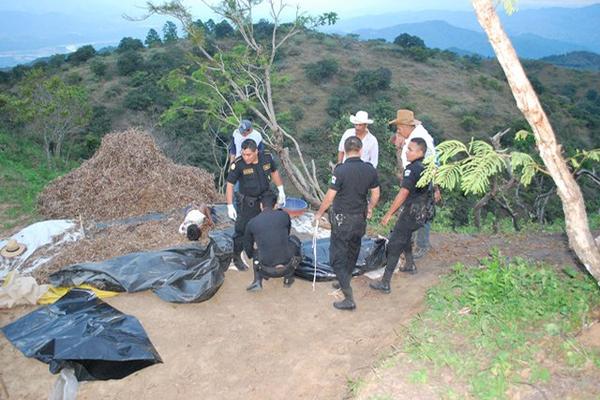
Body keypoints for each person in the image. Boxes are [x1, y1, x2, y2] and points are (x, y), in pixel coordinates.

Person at [315, 136, 380, 310]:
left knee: (337, 257)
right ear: (360, 150)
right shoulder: (369, 170)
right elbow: (375, 194)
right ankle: (343, 279)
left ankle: (348, 297)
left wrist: (319, 213)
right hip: (360, 218)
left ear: (344, 151)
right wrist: (370, 208)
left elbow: (329, 197)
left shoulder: (340, 170)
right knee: (352, 251)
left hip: (343, 220)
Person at [370, 138, 431, 294]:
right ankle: (410, 265)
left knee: (395, 243)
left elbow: (403, 193)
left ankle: (385, 283)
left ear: (420, 152)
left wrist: (389, 214)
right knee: (405, 236)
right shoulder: (426, 167)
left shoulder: (412, 169)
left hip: (412, 212)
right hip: (423, 213)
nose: (406, 151)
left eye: (410, 149)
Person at [226, 138, 286, 271]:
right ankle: (236, 257)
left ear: (256, 152)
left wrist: (281, 189)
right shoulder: (238, 164)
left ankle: (268, 251)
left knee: (270, 223)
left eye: (248, 154)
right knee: (241, 229)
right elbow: (230, 185)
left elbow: (274, 172)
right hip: (248, 200)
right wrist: (229, 205)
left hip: (266, 196)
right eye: (243, 153)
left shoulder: (266, 157)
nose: (245, 157)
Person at [389, 109, 441, 259]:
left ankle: (421, 246)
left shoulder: (420, 138)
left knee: (421, 212)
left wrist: (436, 187)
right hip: (415, 179)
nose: (398, 131)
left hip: (422, 181)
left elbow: (433, 162)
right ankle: (406, 240)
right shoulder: (414, 136)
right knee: (411, 210)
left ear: (406, 126)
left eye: (399, 128)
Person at [243, 193, 301, 291]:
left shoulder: (252, 222)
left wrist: (252, 254)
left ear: (261, 205)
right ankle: (288, 278)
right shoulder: (284, 215)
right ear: (275, 205)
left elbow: (247, 248)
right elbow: (287, 233)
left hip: (265, 269)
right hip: (288, 266)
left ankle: (257, 281)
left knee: (256, 252)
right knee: (294, 240)